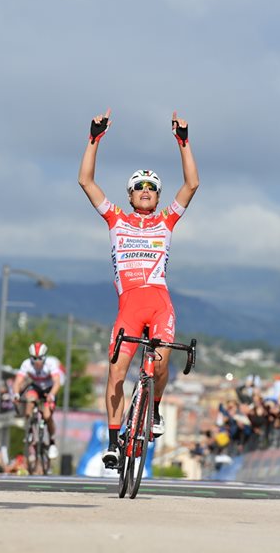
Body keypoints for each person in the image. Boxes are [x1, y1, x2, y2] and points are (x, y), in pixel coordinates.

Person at [78, 108, 199, 468]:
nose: (145, 191)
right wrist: (94, 139)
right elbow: (86, 181)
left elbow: (191, 185)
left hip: (159, 303)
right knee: (116, 372)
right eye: (139, 187)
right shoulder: (116, 218)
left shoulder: (166, 220)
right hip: (128, 306)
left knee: (161, 365)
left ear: (158, 197)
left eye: (152, 188)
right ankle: (115, 440)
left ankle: (155, 410)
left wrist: (184, 143)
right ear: (130, 195)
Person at [12, 342, 63, 460]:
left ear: (45, 357)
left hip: (49, 390)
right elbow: (18, 381)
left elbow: (57, 382)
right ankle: (30, 428)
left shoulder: (51, 364)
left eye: (40, 358)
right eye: (34, 358)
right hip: (36, 388)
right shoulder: (26, 364)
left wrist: (51, 395)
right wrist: (15, 394)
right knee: (29, 399)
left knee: (47, 415)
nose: (37, 361)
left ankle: (52, 442)